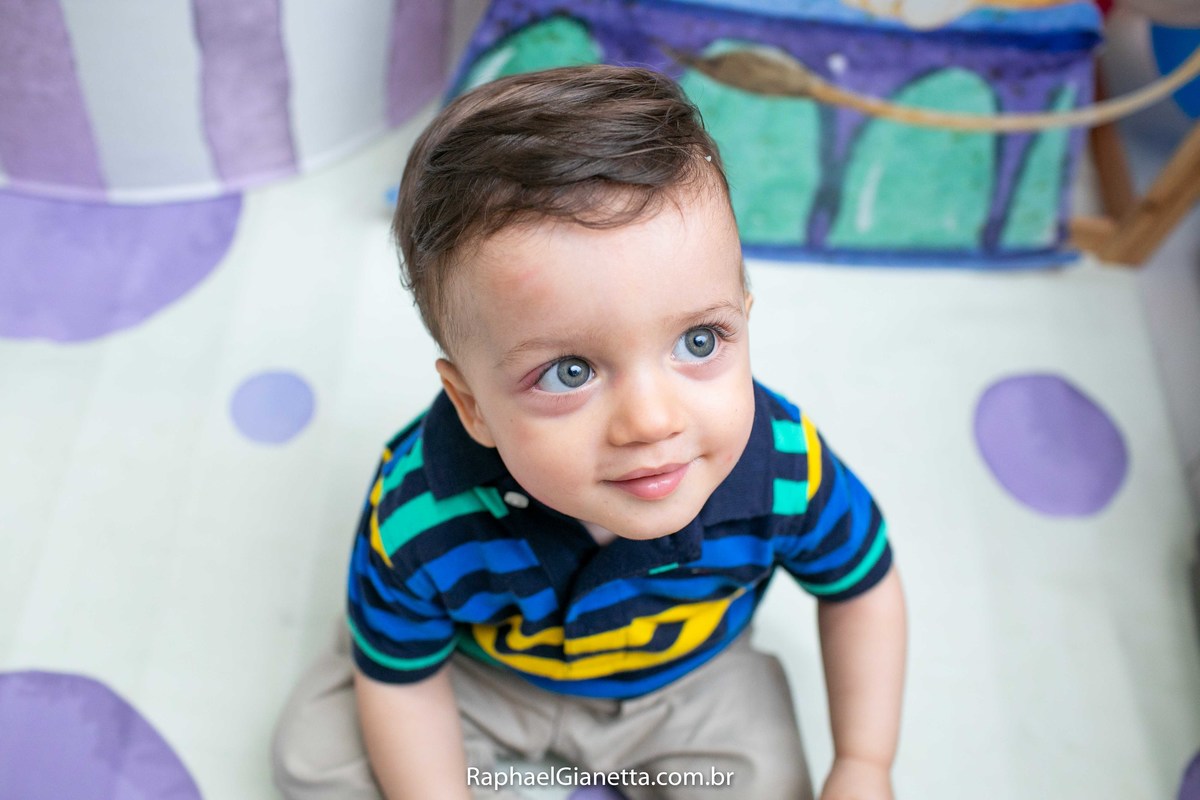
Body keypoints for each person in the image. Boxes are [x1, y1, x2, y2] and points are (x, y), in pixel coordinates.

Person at [271, 64, 906, 800]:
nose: (653, 421)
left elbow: (863, 588)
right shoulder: (419, 509)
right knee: (318, 757)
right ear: (472, 405)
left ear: (743, 315)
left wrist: (864, 763)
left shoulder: (785, 468)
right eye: (570, 372)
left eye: (699, 341)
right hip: (488, 678)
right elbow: (403, 685)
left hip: (689, 684)